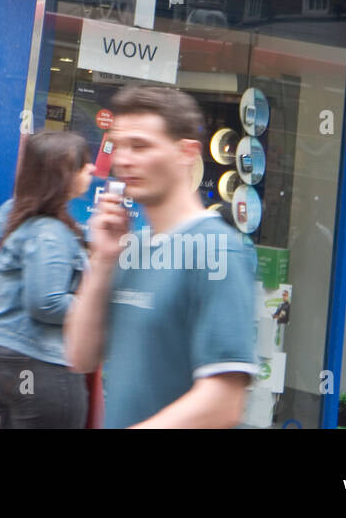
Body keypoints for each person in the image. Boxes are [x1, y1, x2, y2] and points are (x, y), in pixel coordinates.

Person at [64, 85, 257, 428]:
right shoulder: (130, 247)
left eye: (140, 146)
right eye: (119, 146)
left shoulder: (217, 249)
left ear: (187, 152)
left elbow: (224, 401)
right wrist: (103, 260)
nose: (123, 159)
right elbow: (80, 355)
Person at [0, 131, 94, 428]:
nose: (92, 169)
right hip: (36, 367)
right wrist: (95, 308)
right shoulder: (49, 232)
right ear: (61, 174)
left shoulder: (11, 212)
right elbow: (46, 303)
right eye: (83, 164)